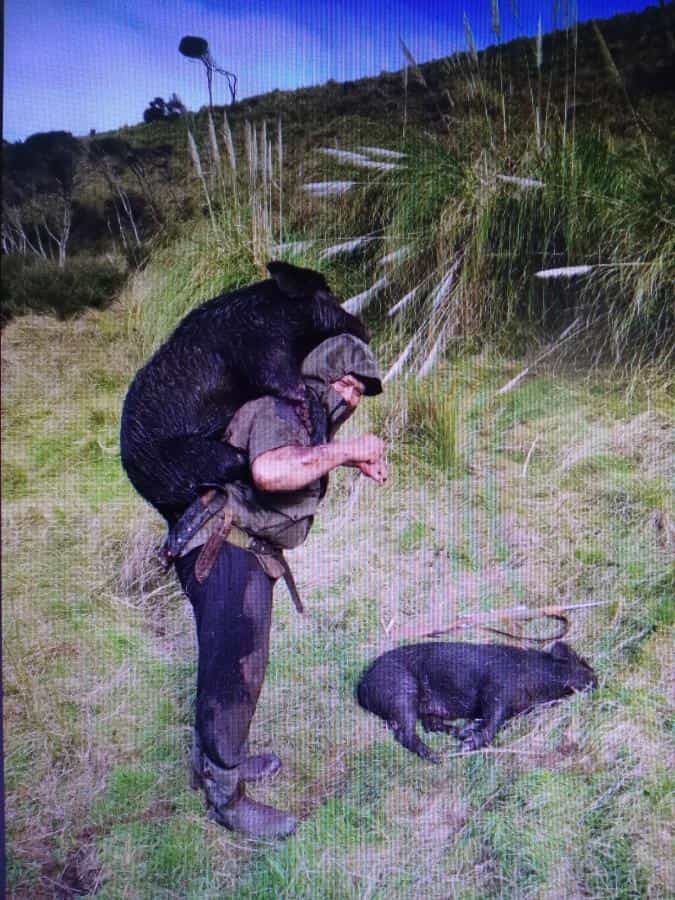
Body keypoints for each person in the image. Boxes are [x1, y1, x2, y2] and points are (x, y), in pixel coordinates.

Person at [173, 334, 387, 839]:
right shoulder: (280, 407)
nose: (350, 399)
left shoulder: (302, 418)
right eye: (345, 384)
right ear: (317, 376)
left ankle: (212, 763)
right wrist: (348, 449)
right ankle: (226, 798)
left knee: (225, 665)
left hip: (237, 548)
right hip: (224, 549)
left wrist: (343, 457)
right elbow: (270, 471)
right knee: (237, 675)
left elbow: (291, 462)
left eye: (358, 392)